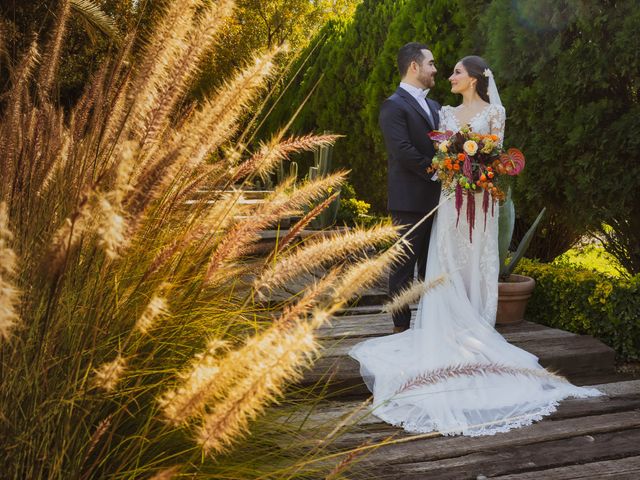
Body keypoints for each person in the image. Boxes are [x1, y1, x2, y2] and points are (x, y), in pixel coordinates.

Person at [349, 54, 601, 436]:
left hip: (479, 200)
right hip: (451, 199)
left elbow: (497, 155)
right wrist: (448, 165)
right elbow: (432, 151)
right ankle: (434, 326)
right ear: (416, 65)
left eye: (455, 71)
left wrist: (482, 169)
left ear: (475, 79)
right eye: (440, 68)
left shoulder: (491, 112)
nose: (447, 73)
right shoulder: (445, 114)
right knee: (439, 260)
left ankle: (473, 325)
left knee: (474, 260)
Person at [378, 42, 441, 334]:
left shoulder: (435, 106)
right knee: (403, 269)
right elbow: (402, 150)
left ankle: (429, 326)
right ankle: (400, 329)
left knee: (432, 267)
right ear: (414, 66)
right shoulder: (393, 105)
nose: (435, 69)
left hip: (439, 201)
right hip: (408, 201)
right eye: (430, 63)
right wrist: (437, 171)